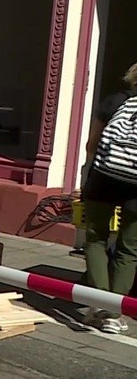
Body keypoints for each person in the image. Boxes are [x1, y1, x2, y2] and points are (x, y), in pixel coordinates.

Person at [80, 62, 137, 334]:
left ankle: (99, 307)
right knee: (129, 249)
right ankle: (114, 313)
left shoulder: (114, 101)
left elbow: (92, 144)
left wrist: (89, 173)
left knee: (96, 238)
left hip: (104, 178)